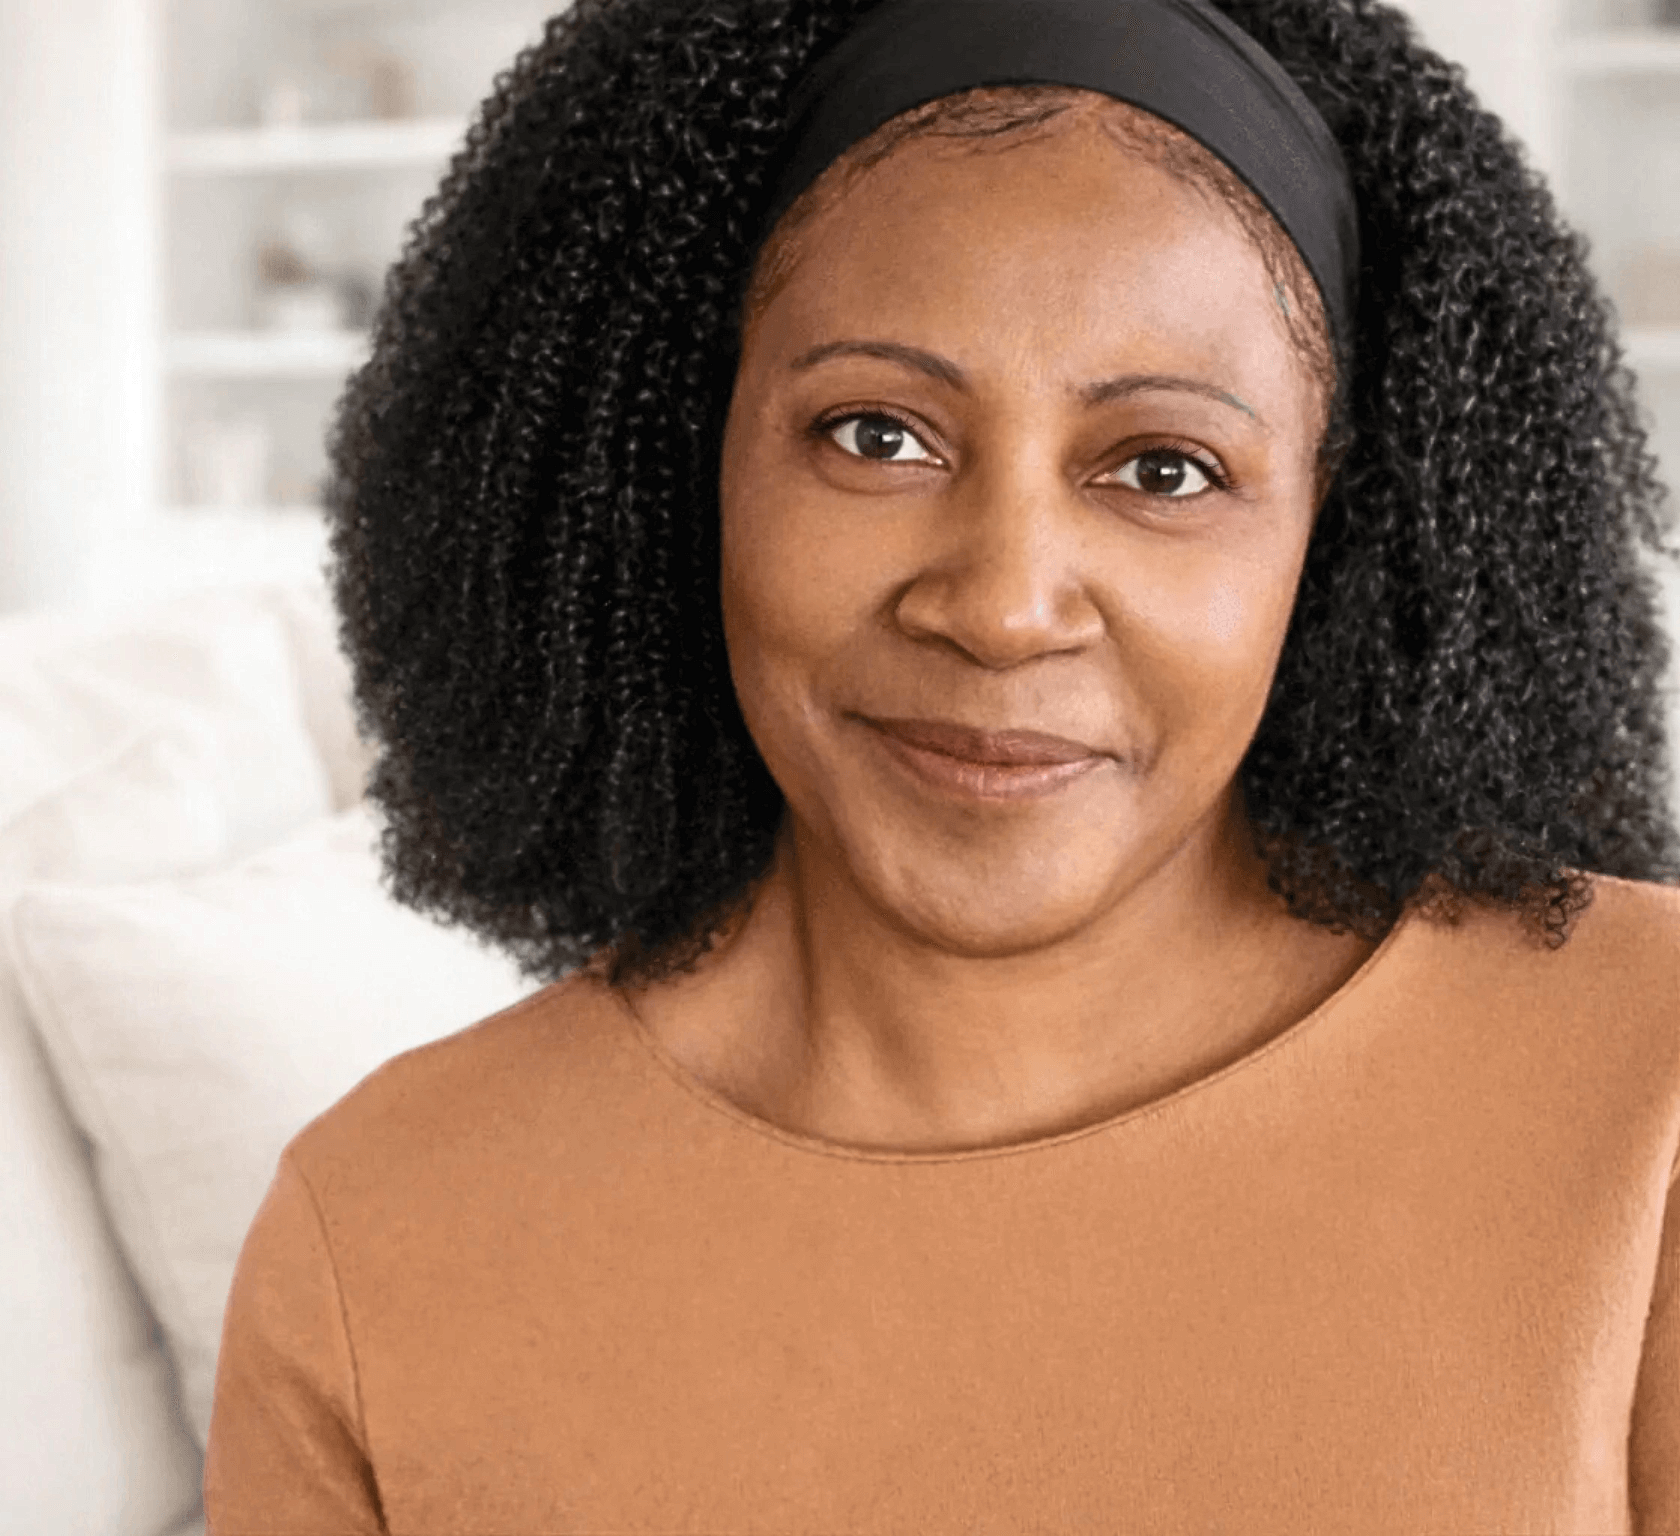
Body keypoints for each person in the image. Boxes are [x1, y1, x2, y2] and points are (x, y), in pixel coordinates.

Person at [205, 0, 1680, 1527]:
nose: (1001, 605)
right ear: (679, 458)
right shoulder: (380, 1240)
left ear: (1341, 523)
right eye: (874, 435)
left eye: (1163, 467)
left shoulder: (1650, 1095)